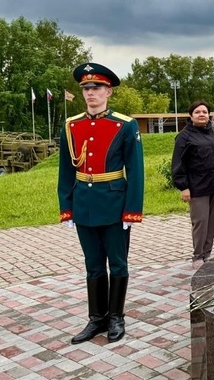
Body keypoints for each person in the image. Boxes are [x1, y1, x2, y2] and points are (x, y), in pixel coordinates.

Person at [58, 62, 144, 344]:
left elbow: (136, 170)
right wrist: (66, 207)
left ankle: (116, 317)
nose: (90, 92)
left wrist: (131, 211)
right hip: (84, 204)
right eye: (86, 88)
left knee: (117, 264)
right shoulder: (72, 126)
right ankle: (97, 318)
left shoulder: (125, 125)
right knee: (93, 265)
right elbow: (65, 170)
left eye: (96, 87)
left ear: (109, 91)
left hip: (115, 204)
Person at [171, 100, 214, 270]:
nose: (201, 115)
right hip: (197, 188)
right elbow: (178, 163)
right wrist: (183, 186)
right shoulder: (184, 136)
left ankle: (207, 254)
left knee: (212, 222)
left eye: (204, 112)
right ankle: (198, 256)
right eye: (197, 112)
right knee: (201, 222)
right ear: (191, 116)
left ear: (209, 115)